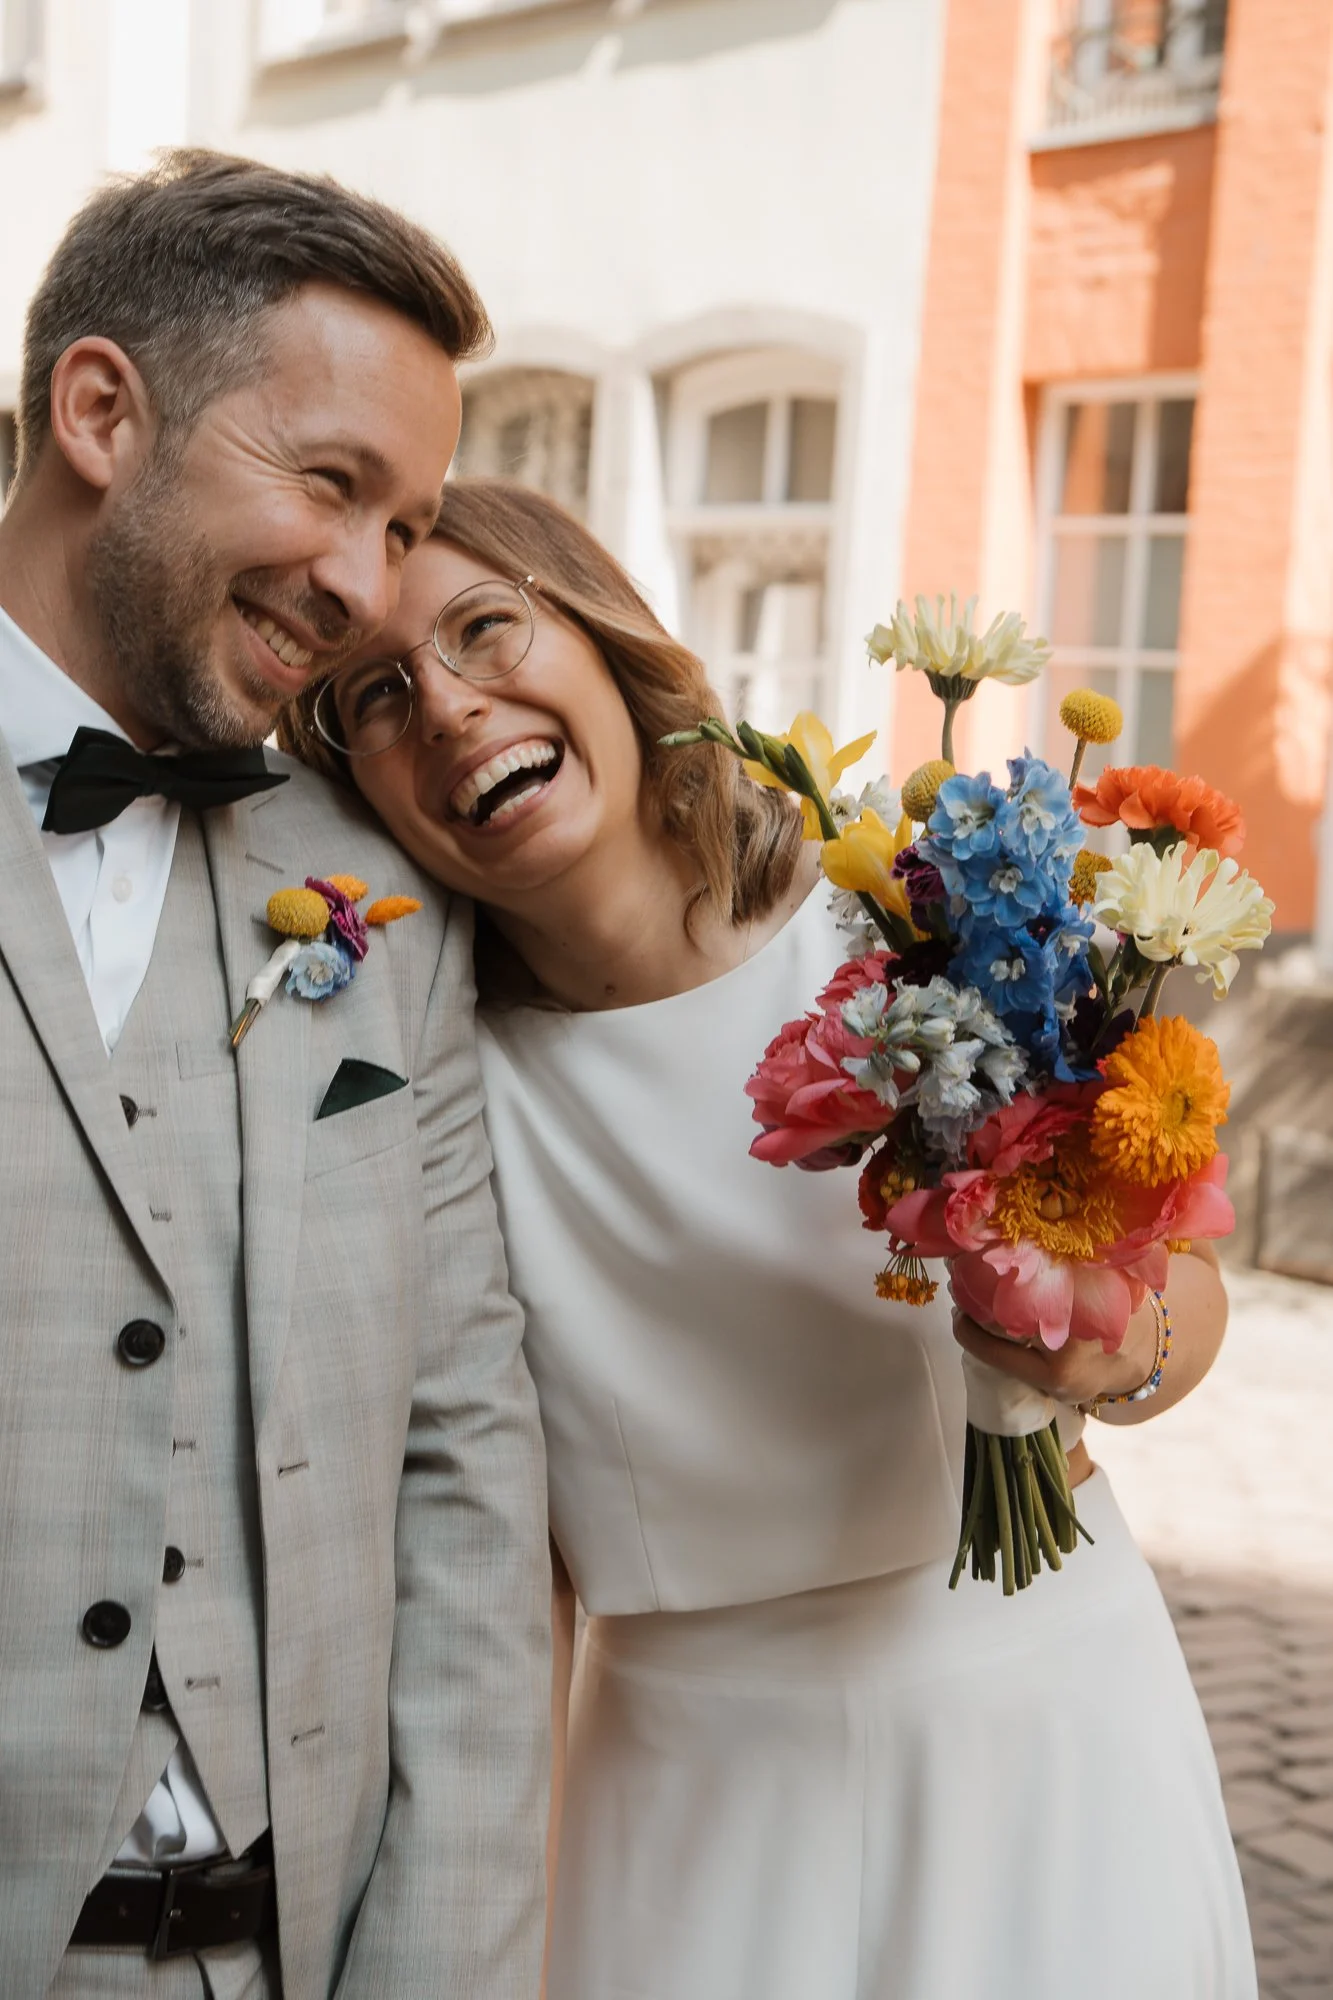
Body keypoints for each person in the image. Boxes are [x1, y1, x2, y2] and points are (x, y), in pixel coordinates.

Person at [283, 477, 1257, 2000]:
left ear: (604, 642)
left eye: (487, 629)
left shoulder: (905, 919)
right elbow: (494, 1566)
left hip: (1044, 1720)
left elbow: (1178, 1289)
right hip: (691, 1793)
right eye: (374, 699)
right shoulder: (422, 1088)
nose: (453, 709)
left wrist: (1100, 1344)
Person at [0, 164, 550, 1999]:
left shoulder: (382, 892)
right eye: (331, 486)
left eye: (403, 525)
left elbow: (465, 1456)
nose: (367, 589)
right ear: (101, 411)